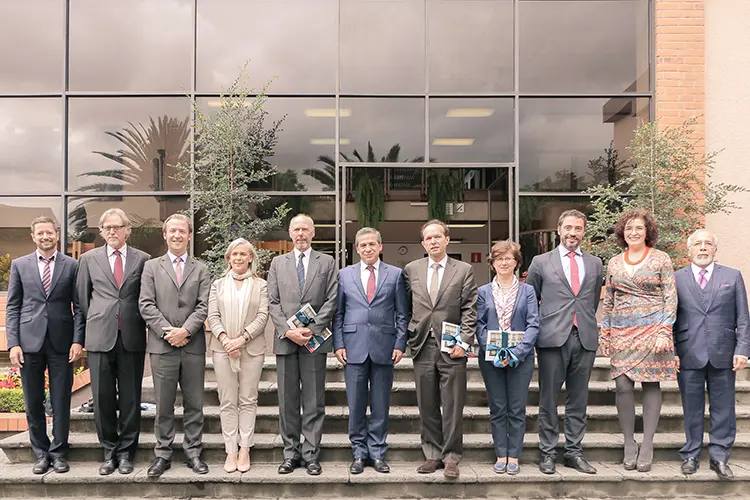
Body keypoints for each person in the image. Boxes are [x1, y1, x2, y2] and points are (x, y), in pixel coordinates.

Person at [526, 209, 603, 475]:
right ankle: (547, 453)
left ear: (584, 232)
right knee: (548, 399)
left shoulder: (595, 263)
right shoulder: (540, 261)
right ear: (558, 229)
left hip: (584, 337)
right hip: (551, 339)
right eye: (568, 227)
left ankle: (573, 452)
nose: (573, 233)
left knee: (578, 399)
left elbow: (591, 301)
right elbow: (531, 300)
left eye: (578, 228)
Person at [600, 208, 677, 473]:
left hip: (653, 330)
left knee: (650, 384)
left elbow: (671, 297)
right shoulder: (613, 262)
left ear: (648, 232)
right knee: (622, 385)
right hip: (621, 331)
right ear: (623, 232)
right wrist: (605, 331)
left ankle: (647, 443)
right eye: (629, 228)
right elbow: (609, 299)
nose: (634, 232)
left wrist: (664, 331)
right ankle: (628, 442)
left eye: (639, 228)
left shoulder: (661, 259)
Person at [6, 217, 84, 474]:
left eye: (49, 232)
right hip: (29, 342)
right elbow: (13, 307)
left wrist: (77, 340)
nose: (45, 236)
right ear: (33, 236)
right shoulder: (20, 265)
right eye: (40, 233)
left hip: (62, 343)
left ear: (57, 235)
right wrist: (13, 344)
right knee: (33, 400)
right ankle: (40, 453)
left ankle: (59, 452)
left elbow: (79, 307)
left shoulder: (72, 265)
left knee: (61, 400)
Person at [76, 208, 150, 475]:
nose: (112, 232)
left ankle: (127, 452)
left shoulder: (143, 259)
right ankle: (109, 451)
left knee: (131, 399)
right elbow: (83, 301)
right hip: (99, 338)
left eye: (117, 227)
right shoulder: (88, 259)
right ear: (102, 230)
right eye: (107, 228)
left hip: (131, 338)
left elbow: (145, 298)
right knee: (103, 398)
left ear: (127, 229)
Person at [403, 219, 477, 480]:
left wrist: (465, 342)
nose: (433, 241)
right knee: (427, 403)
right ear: (423, 243)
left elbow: (470, 308)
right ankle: (433, 454)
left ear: (447, 239)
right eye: (428, 238)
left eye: (437, 237)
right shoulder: (411, 269)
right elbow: (405, 307)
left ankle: (452, 457)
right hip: (422, 344)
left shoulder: (464, 270)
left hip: (453, 347)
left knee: (453, 403)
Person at [139, 214, 211, 478]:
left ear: (190, 235)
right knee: (164, 404)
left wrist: (186, 331)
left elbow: (203, 306)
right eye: (173, 231)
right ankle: (163, 454)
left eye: (182, 231)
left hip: (192, 347)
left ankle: (193, 452)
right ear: (165, 235)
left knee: (195, 404)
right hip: (162, 346)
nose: (177, 235)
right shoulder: (151, 267)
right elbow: (146, 304)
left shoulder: (201, 269)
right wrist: (168, 332)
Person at [674, 229, 750, 479]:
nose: (703, 248)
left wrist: (743, 350)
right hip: (688, 352)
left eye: (708, 244)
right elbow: (670, 319)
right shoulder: (676, 279)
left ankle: (719, 457)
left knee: (724, 408)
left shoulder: (732, 276)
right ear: (689, 250)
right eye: (698, 244)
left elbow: (743, 318)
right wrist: (672, 351)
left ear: (715, 249)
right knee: (692, 407)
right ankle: (691, 454)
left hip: (724, 352)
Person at [332, 227, 408, 474]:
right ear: (357, 248)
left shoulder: (396, 275)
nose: (367, 248)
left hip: (385, 348)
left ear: (380, 246)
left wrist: (399, 344)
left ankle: (377, 453)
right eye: (363, 245)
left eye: (372, 244)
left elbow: (403, 314)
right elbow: (339, 313)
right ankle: (358, 453)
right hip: (353, 348)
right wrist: (339, 343)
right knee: (355, 404)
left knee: (380, 404)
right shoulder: (344, 275)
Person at [266, 214, 338, 476]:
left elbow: (332, 298)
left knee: (314, 399)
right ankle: (290, 453)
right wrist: (288, 330)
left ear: (313, 232)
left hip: (314, 340)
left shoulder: (327, 262)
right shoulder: (277, 263)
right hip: (286, 341)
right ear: (289, 232)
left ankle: (311, 454)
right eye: (296, 229)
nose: (301, 234)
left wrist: (313, 328)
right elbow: (272, 301)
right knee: (287, 400)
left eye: (305, 229)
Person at [475, 240, 539, 475]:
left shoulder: (527, 290)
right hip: (490, 360)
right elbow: (479, 325)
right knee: (498, 408)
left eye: (508, 258)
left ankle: (514, 456)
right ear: (492, 263)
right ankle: (501, 454)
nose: (504, 262)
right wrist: (491, 350)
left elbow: (533, 324)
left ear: (516, 263)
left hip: (520, 359)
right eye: (499, 258)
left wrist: (517, 352)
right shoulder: (483, 292)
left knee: (516, 408)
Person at [207, 238, 269, 473]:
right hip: (222, 350)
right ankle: (230, 450)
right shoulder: (218, 285)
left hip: (251, 350)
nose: (239, 258)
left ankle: (245, 448)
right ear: (228, 258)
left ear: (251, 257)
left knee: (247, 400)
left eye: (244, 254)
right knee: (227, 401)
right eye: (235, 254)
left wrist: (241, 340)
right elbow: (213, 315)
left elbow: (263, 316)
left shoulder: (260, 285)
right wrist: (225, 340)